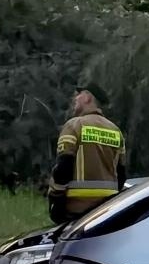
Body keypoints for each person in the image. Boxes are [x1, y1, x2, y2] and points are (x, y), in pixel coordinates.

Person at [47, 82, 126, 224]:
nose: (75, 99)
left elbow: (64, 167)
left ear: (87, 98)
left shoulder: (74, 125)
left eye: (79, 94)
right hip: (106, 211)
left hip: (76, 210)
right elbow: (121, 174)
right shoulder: (115, 131)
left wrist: (56, 198)